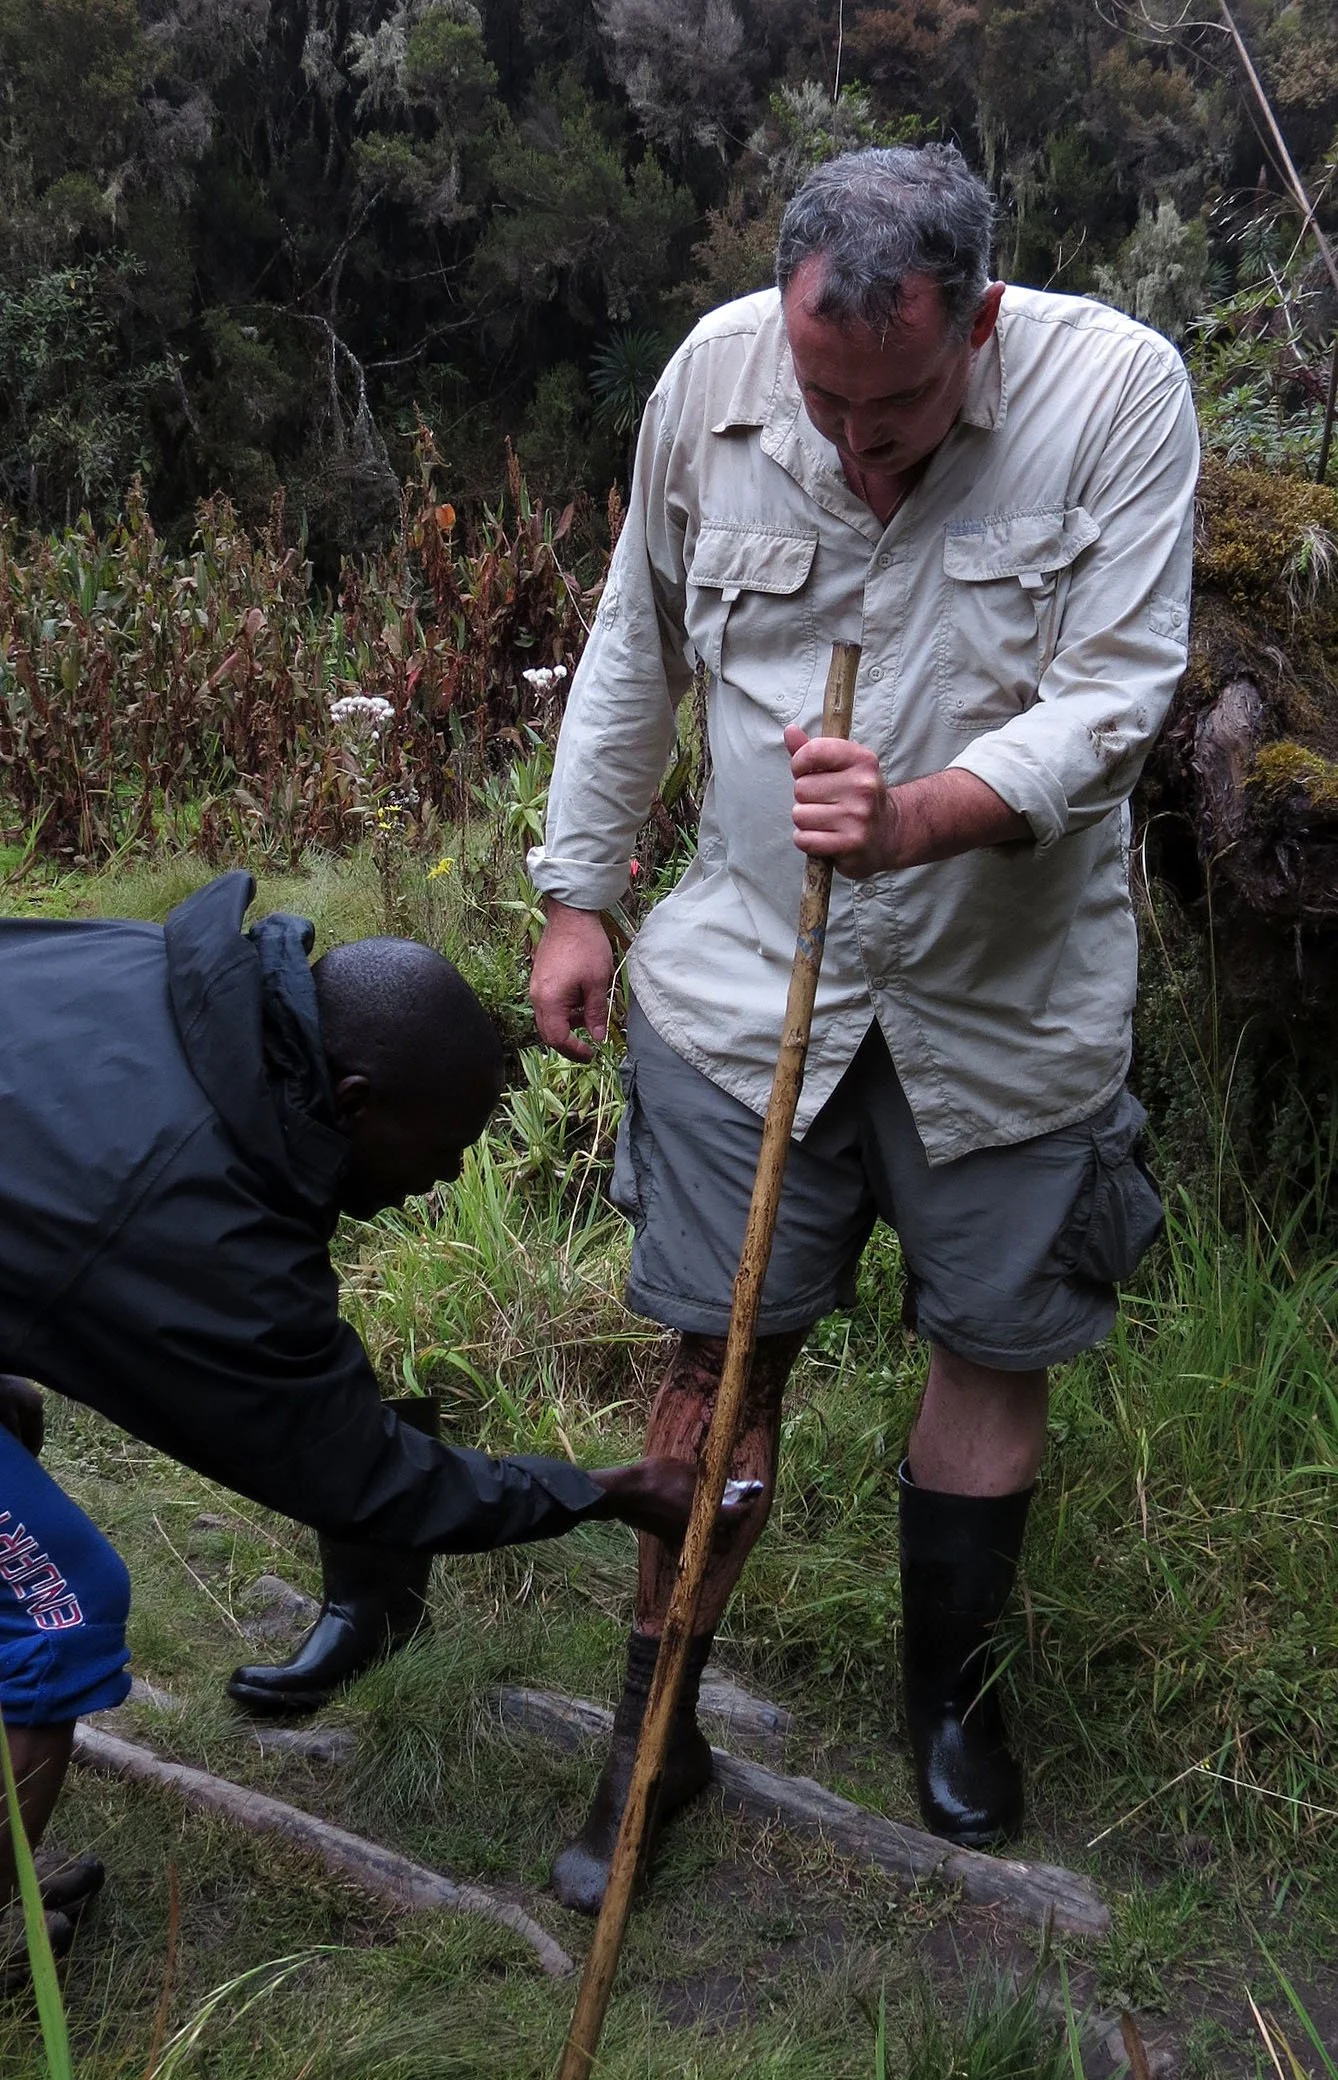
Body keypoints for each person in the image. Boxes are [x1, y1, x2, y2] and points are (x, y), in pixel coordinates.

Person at [526, 142, 1199, 1911]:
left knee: (987, 1344)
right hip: (748, 982)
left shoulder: (1114, 392)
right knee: (714, 1354)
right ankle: (647, 1744)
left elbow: (1121, 695)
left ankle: (949, 1708)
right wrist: (578, 886)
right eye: (821, 398)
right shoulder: (713, 383)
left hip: (1006, 999)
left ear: (977, 320)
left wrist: (921, 818)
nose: (848, 443)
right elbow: (634, 632)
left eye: (892, 406)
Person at [0, 871, 753, 1949]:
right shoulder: (198, 1222)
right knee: (59, 1602)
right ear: (353, 1099)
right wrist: (613, 1489)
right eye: (442, 1147)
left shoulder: (158, 982)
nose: (443, 1179)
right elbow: (364, 1473)